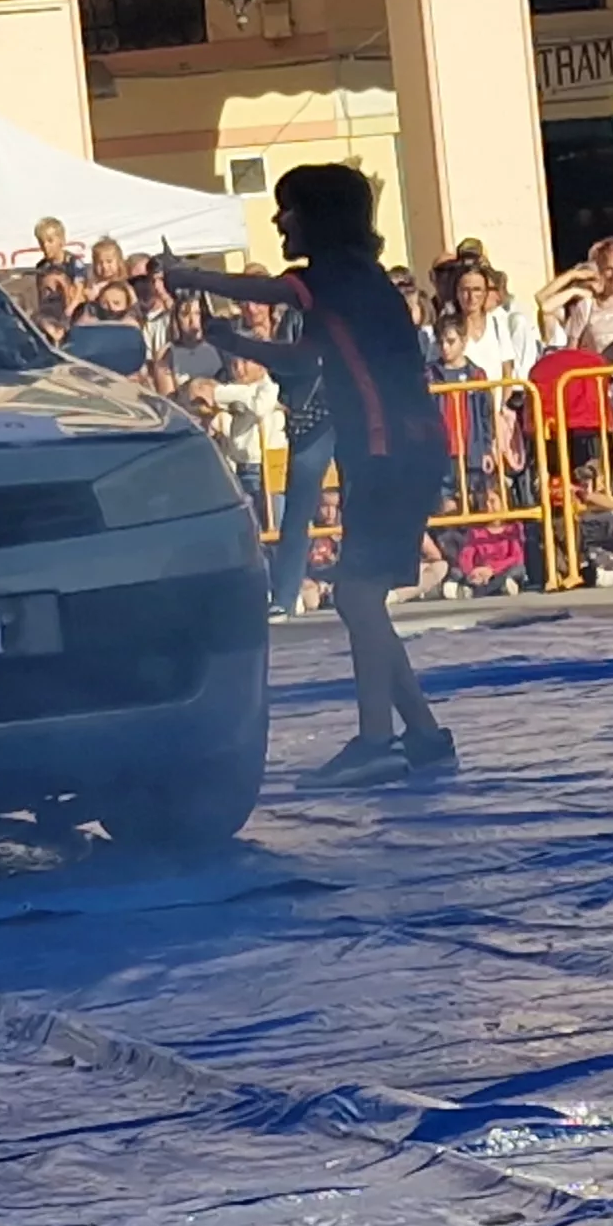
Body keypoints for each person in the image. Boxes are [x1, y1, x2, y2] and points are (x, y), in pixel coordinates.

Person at [163, 164, 454, 790]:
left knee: (356, 597)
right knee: (364, 600)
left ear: (318, 216)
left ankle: (377, 741)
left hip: (386, 447)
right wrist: (232, 339)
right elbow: (302, 356)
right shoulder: (358, 281)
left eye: (287, 210)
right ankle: (423, 735)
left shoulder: (325, 279)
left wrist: (188, 277)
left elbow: (274, 295)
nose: (278, 221)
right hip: (400, 446)